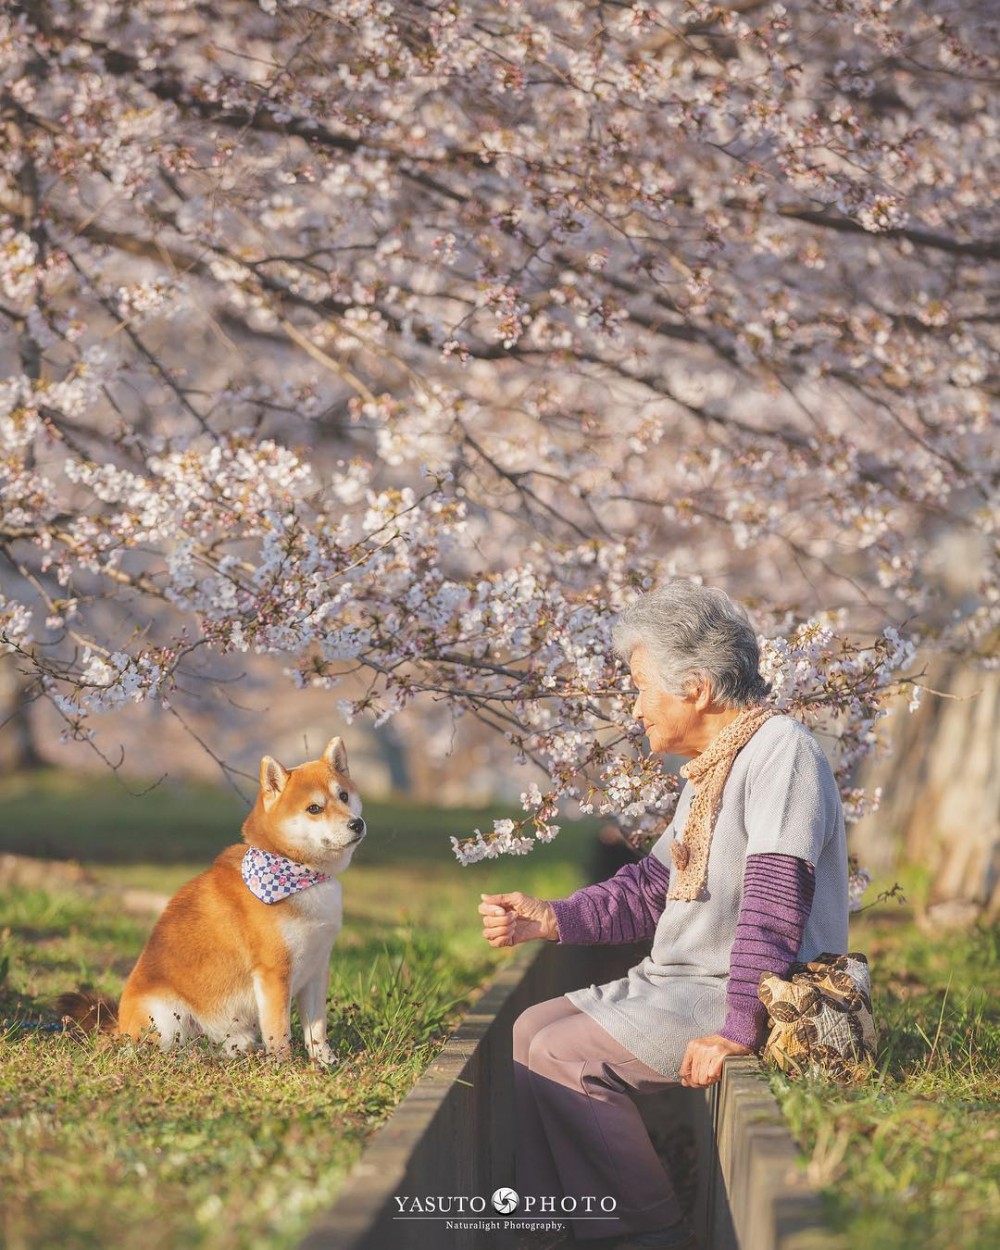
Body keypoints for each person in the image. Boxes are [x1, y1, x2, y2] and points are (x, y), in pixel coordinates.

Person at [479, 581, 848, 1250]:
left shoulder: (780, 750)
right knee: (532, 1027)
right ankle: (553, 1229)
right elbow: (652, 887)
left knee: (563, 1054)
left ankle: (647, 1235)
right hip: (682, 983)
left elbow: (774, 898)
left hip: (746, 991)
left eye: (643, 685)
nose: (635, 706)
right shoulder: (713, 768)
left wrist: (740, 1026)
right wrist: (552, 920)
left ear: (696, 688)